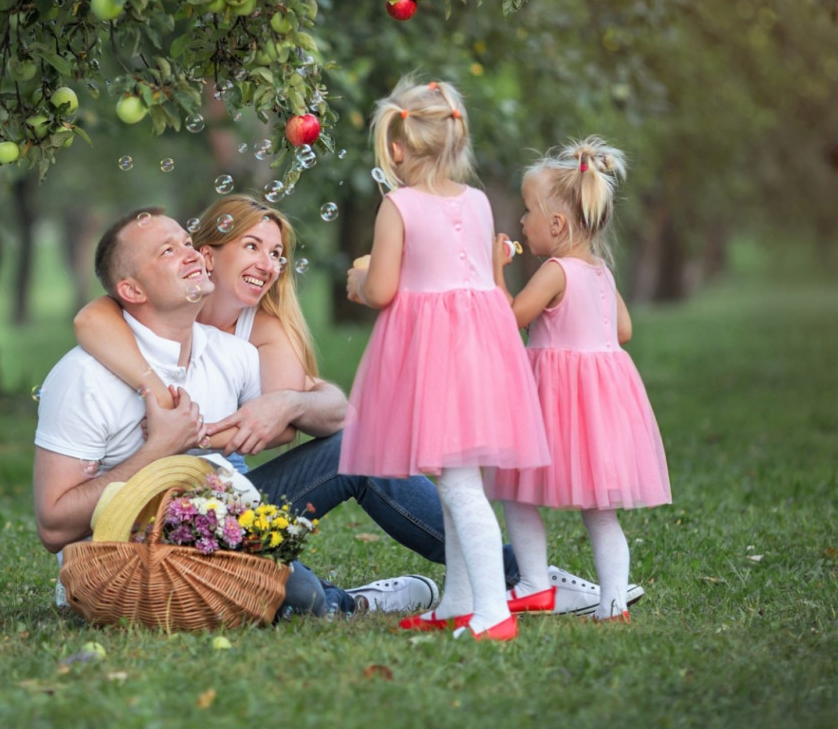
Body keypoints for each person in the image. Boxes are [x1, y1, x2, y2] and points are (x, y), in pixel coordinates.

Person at [34, 207, 440, 617]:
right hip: (134, 555)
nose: (191, 254)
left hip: (221, 520)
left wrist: (285, 403)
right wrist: (158, 448)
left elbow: (338, 415)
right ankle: (348, 601)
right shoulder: (84, 377)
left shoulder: (228, 351)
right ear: (134, 291)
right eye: (167, 251)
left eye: (188, 243)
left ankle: (501, 568)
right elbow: (54, 527)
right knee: (294, 593)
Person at [341, 76, 552, 642]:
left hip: (434, 354)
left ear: (398, 148)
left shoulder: (398, 205)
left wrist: (358, 279)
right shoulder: (479, 201)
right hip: (483, 351)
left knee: (459, 486)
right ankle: (460, 598)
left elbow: (384, 290)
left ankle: (492, 612)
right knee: (459, 478)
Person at [491, 137, 672, 622]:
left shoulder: (554, 271)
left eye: (529, 211)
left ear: (556, 224)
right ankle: (613, 604)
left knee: (517, 490)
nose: (524, 222)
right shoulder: (601, 272)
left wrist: (496, 270)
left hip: (553, 398)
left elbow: (511, 317)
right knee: (600, 509)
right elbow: (625, 331)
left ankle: (532, 582)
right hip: (598, 401)